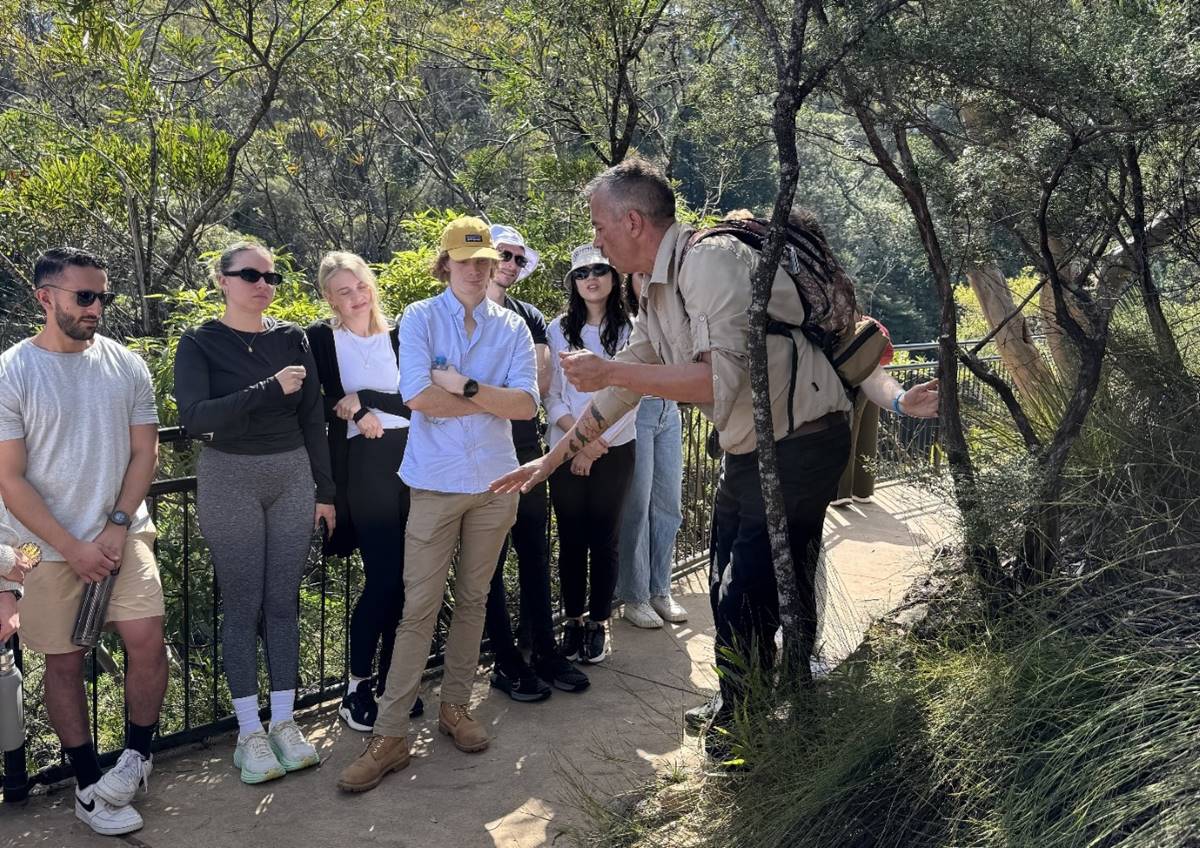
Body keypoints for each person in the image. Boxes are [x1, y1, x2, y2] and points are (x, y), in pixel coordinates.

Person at [490, 160, 939, 758]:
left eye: (600, 227)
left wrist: (613, 368)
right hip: (753, 446)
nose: (595, 239)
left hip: (802, 439)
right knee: (739, 568)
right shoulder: (654, 286)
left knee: (743, 590)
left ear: (632, 220)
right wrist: (548, 463)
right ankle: (763, 693)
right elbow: (628, 386)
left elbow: (718, 383)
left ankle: (747, 724)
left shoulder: (708, 263)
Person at [337, 216, 538, 793]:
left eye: (485, 260)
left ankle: (455, 708)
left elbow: (526, 406)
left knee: (474, 599)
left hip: (495, 483)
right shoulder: (422, 317)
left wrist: (467, 388)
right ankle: (392, 734)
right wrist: (484, 399)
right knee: (417, 609)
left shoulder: (512, 326)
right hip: (434, 482)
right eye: (466, 260)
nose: (477, 270)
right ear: (446, 263)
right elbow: (417, 396)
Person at [0, 247, 167, 836]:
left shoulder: (126, 365)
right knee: (64, 663)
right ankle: (87, 784)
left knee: (147, 636)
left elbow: (145, 452)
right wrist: (71, 546)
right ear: (45, 297)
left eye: (104, 297)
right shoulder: (12, 371)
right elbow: (9, 478)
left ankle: (137, 758)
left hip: (122, 532)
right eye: (84, 296)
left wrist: (116, 527)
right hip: (43, 547)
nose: (97, 307)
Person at [173, 241, 334, 784]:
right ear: (222, 280)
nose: (263, 285)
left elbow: (314, 418)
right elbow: (195, 418)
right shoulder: (200, 342)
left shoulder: (292, 338)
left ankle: (285, 723)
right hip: (229, 477)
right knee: (242, 604)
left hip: (290, 475)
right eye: (250, 275)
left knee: (281, 601)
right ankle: (249, 732)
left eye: (271, 277)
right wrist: (268, 389)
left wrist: (325, 491)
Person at [306, 251, 424, 731]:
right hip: (365, 466)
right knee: (384, 579)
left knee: (414, 578)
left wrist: (367, 400)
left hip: (415, 460)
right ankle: (356, 686)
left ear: (371, 285)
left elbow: (421, 402)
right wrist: (354, 411)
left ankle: (396, 681)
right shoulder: (321, 341)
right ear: (329, 299)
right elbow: (323, 401)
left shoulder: (402, 334)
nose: (355, 297)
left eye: (359, 286)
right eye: (342, 291)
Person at [482, 224, 589, 701]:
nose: (510, 264)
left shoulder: (527, 315)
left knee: (534, 554)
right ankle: (505, 662)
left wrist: (489, 387)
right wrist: (503, 388)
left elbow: (539, 386)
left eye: (518, 259)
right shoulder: (456, 314)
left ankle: (544, 652)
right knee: (488, 562)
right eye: (504, 254)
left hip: (526, 452)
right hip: (477, 456)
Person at [545, 245, 639, 663]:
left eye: (600, 270)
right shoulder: (558, 329)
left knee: (605, 537)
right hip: (567, 447)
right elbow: (552, 396)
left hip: (615, 447)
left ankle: (599, 622)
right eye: (582, 273)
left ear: (614, 277)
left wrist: (598, 442)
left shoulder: (631, 330)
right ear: (573, 283)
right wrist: (582, 441)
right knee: (570, 538)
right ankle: (573, 621)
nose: (592, 279)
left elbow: (630, 392)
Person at [614, 272, 686, 629]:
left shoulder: (675, 320)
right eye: (641, 276)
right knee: (637, 508)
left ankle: (660, 588)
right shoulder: (626, 323)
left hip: (669, 411)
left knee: (668, 506)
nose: (648, 282)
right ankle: (634, 595)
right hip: (637, 412)